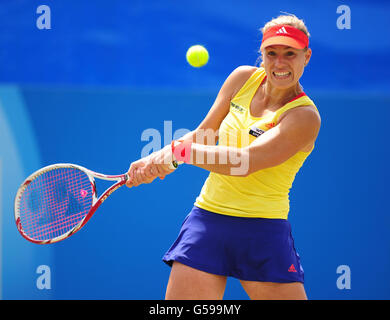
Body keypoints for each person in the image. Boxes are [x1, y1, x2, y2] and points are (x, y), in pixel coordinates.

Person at [126, 14, 321, 300]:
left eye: (290, 54)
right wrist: (159, 156)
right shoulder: (242, 78)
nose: (279, 63)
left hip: (263, 230)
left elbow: (244, 162)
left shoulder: (304, 117)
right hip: (208, 220)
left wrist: (181, 153)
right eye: (272, 53)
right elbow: (204, 135)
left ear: (306, 56)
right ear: (262, 55)